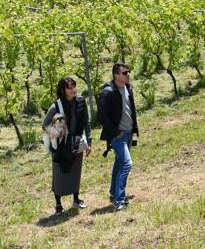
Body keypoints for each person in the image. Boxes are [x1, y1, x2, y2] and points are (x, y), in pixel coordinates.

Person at [42, 77, 91, 215]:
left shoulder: (81, 101)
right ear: (63, 91)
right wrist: (57, 133)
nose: (73, 90)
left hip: (76, 142)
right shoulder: (56, 106)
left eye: (74, 86)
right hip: (60, 146)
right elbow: (44, 125)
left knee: (75, 171)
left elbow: (86, 122)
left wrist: (89, 141)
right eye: (69, 88)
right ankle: (58, 204)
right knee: (59, 174)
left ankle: (76, 199)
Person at [98, 63, 139, 211]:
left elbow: (130, 110)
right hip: (117, 136)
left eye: (128, 72)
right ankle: (119, 200)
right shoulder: (108, 92)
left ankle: (113, 193)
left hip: (127, 133)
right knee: (127, 164)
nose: (128, 74)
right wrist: (115, 132)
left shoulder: (128, 88)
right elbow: (101, 117)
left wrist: (133, 130)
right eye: (124, 73)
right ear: (116, 76)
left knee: (119, 163)